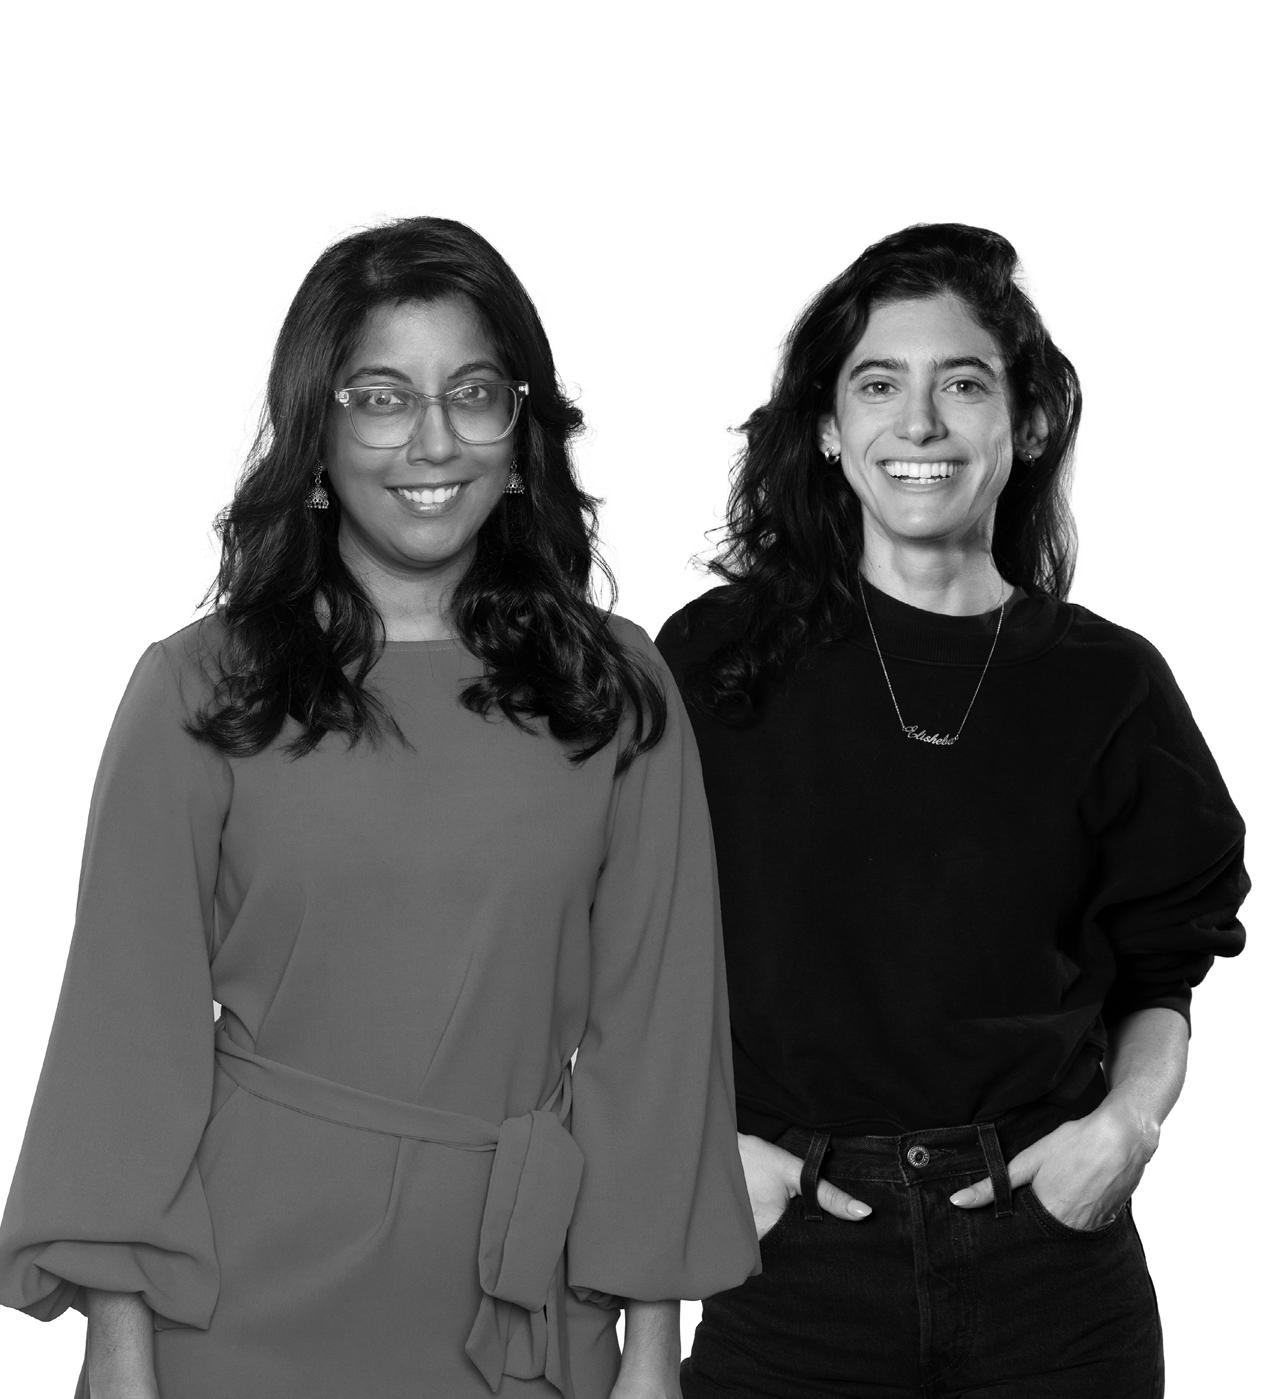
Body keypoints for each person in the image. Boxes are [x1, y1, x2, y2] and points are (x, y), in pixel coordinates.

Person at [0, 216, 757, 1399]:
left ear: (521, 438)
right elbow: (124, 1043)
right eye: (380, 397)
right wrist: (120, 1355)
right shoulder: (198, 687)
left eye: (472, 393)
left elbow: (657, 1045)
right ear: (316, 439)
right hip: (235, 1310)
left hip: (520, 1302)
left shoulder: (615, 687)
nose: (432, 439)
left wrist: (651, 1348)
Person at [657, 223, 1247, 1398]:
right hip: (791, 1261)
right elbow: (631, 946)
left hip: (1047, 1265)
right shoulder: (719, 661)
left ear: (1024, 424)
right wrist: (707, 1151)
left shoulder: (1106, 683)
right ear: (827, 428)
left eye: (962, 384)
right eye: (877, 384)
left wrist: (1124, 1129)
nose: (917, 423)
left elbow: (1160, 971)